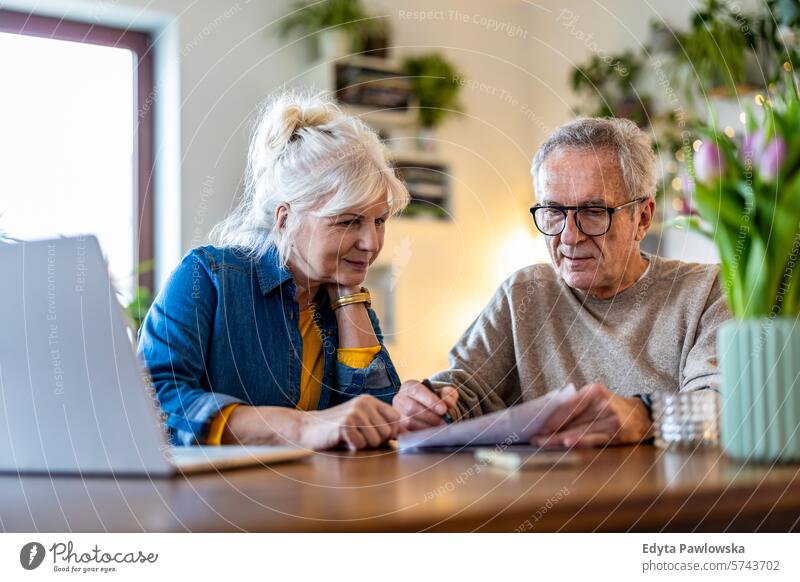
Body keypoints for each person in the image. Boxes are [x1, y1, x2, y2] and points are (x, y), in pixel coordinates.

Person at [394, 117, 731, 447]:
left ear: (642, 218)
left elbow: (725, 405)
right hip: (547, 500)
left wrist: (645, 415)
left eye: (594, 211)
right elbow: (464, 390)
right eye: (554, 211)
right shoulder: (524, 293)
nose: (570, 236)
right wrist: (427, 404)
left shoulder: (706, 291)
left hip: (670, 500)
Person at [138, 90, 410, 450]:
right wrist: (300, 427)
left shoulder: (343, 296)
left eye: (379, 220)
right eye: (348, 222)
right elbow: (154, 402)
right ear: (285, 219)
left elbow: (373, 421)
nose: (372, 243)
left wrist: (349, 298)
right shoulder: (208, 278)